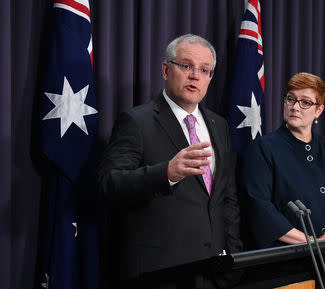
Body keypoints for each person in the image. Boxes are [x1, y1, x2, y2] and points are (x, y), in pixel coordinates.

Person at [97, 34, 242, 287]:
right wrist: (166, 173)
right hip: (161, 273)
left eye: (204, 69)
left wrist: (234, 256)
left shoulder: (219, 125)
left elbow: (226, 197)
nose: (195, 75)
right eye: (186, 66)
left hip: (213, 271)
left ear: (210, 78)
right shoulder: (136, 121)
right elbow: (109, 184)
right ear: (166, 70)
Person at [239, 72, 325, 249]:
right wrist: (313, 242)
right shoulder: (263, 148)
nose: (295, 107)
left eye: (305, 102)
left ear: (319, 110)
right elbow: (259, 208)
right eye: (290, 99)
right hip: (286, 263)